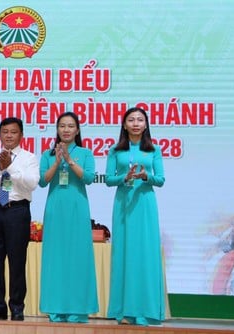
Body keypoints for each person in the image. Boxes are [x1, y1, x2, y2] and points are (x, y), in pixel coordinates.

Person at [105, 106, 166, 326]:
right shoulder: (115, 150)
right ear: (124, 125)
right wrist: (125, 176)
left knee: (145, 255)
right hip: (123, 204)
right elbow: (109, 179)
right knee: (124, 254)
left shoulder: (154, 150)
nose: (136, 123)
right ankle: (125, 311)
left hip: (145, 204)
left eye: (140, 120)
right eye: (131, 120)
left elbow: (160, 179)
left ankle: (145, 310)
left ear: (146, 125)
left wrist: (145, 175)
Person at [0, 117, 39, 321]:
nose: (9, 135)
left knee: (17, 261)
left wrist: (10, 167)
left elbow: (31, 184)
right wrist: (0, 167)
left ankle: (17, 306)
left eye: (13, 132)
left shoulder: (29, 158)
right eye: (5, 132)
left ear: (21, 135)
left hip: (17, 211)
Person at [38, 112, 98, 323]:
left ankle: (78, 308)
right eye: (62, 126)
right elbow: (43, 182)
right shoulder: (47, 153)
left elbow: (89, 178)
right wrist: (56, 162)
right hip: (55, 208)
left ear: (77, 130)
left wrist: (70, 160)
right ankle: (55, 308)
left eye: (70, 126)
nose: (66, 129)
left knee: (78, 257)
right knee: (56, 258)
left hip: (78, 207)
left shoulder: (85, 153)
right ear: (57, 129)